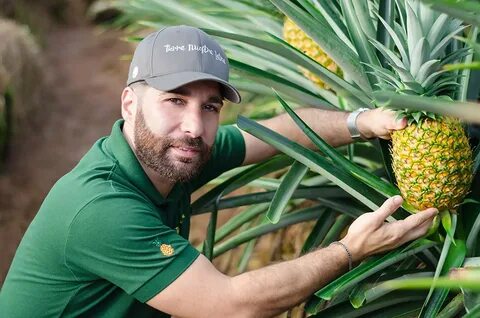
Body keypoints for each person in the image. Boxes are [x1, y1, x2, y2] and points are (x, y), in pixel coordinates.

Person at [0, 25, 438, 318]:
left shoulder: (173, 153)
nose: (194, 126)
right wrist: (351, 250)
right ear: (129, 104)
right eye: (175, 100)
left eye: (210, 106)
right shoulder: (99, 208)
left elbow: (275, 133)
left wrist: (363, 122)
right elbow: (232, 307)